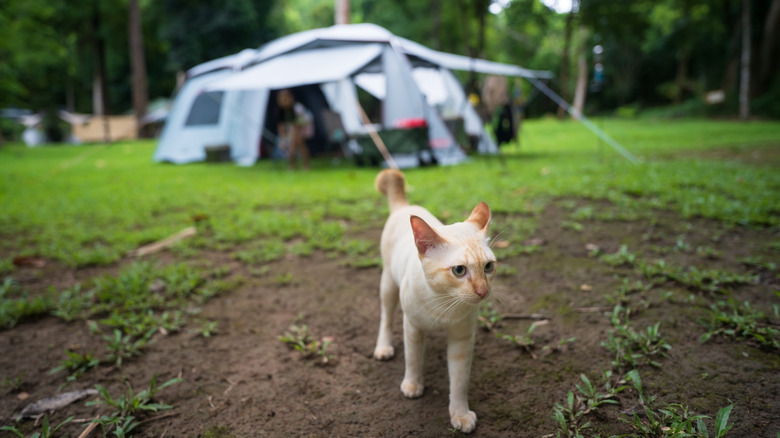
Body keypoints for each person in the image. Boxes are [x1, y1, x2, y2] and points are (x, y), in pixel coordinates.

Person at [276, 89, 313, 170]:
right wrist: (283, 138)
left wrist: (291, 137)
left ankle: (306, 165)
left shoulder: (297, 108)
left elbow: (301, 122)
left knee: (300, 144)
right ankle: (292, 165)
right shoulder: (282, 111)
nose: (283, 101)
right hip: (292, 130)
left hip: (303, 128)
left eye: (285, 98)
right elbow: (281, 126)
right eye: (281, 99)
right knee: (292, 147)